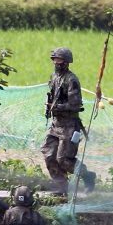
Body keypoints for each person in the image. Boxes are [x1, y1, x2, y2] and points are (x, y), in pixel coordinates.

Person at [41, 47, 96, 195]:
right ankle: (61, 187)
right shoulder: (54, 77)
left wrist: (56, 107)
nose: (56, 62)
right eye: (55, 60)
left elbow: (75, 104)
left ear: (66, 62)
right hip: (55, 124)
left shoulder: (71, 80)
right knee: (49, 154)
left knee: (64, 159)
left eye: (59, 60)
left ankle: (87, 175)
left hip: (69, 126)